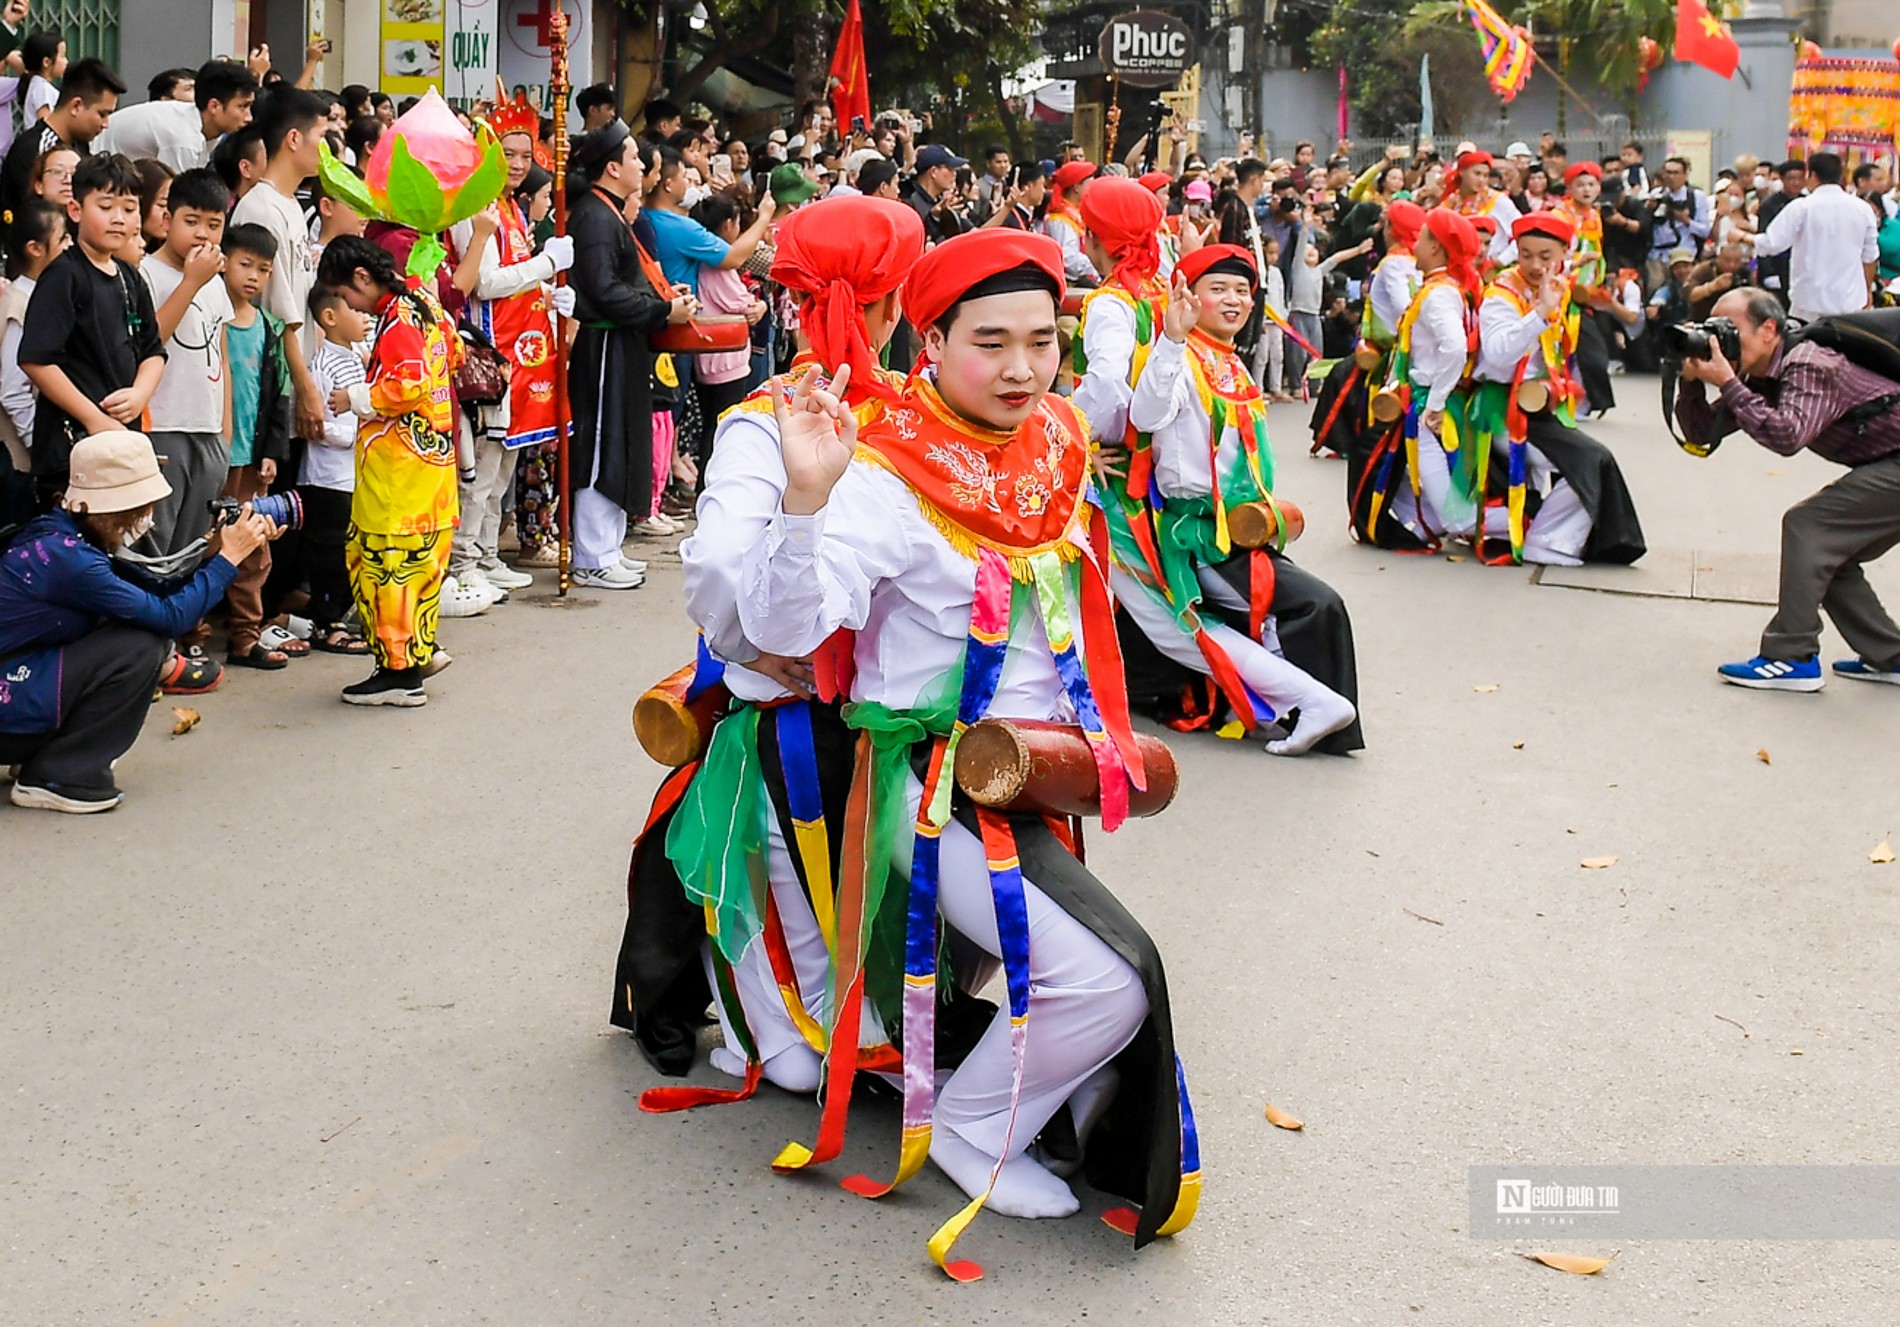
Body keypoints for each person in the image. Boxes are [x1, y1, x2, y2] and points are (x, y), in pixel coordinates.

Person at [737, 227, 1199, 1261]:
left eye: (1041, 339)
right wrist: (805, 501)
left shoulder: (1057, 441)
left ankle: (997, 1096)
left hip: (1039, 774)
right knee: (1106, 980)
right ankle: (969, 1122)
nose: (1023, 367)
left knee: (1057, 968)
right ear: (931, 338)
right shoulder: (883, 471)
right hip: (934, 785)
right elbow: (783, 626)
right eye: (990, 341)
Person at [619, 196, 930, 1093]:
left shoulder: (778, 415)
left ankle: (819, 1020)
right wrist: (752, 649)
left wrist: (744, 644)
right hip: (823, 739)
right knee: (811, 1042)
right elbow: (720, 567)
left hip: (836, 726)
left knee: (826, 1012)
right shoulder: (874, 421)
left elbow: (715, 567)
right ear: (900, 305)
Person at [1109, 242, 1361, 753]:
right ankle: (1302, 703)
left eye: (1242, 291)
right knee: (1193, 625)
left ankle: (1293, 706)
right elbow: (1147, 416)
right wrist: (1173, 341)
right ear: (1188, 297)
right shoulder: (1180, 360)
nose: (1233, 300)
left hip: (1239, 531)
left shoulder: (1232, 363)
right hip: (1189, 537)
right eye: (1217, 289)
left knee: (1292, 608)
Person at [0, 430, 273, 812]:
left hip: (14, 690)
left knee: (137, 631)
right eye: (143, 505)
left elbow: (161, 591)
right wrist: (229, 559)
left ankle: (46, 756)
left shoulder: (62, 534)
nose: (148, 516)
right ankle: (59, 775)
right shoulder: (69, 560)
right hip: (8, 707)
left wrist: (230, 550)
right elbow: (171, 616)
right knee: (142, 645)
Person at [1667, 289, 1899, 689]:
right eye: (1712, 329)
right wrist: (1690, 383)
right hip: (1886, 463)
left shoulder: (1809, 363)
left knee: (1807, 526)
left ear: (1769, 329)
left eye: (1729, 329)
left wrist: (1727, 381)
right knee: (1828, 555)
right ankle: (1891, 657)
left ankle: (1790, 656)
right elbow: (1703, 433)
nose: (1719, 340)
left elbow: (1787, 436)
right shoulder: (1760, 373)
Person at [440, 96, 578, 613]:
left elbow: (517, 282)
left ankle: (485, 551)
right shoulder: (474, 206)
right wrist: (545, 265)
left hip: (522, 353)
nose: (518, 164)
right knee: (483, 463)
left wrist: (549, 295)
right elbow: (485, 283)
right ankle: (463, 563)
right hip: (487, 355)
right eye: (508, 153)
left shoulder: (513, 208)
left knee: (506, 464)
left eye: (525, 154)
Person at [316, 235, 462, 704]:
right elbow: (453, 354)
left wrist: (357, 397)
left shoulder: (398, 320)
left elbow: (409, 386)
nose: (349, 305)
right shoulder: (425, 303)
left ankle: (399, 672)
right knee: (419, 569)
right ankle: (417, 651)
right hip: (434, 467)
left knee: (383, 567)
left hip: (399, 472)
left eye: (346, 294)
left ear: (361, 279)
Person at [1468, 212, 1645, 566]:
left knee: (1592, 461)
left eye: (1545, 257)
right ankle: (1543, 539)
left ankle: (1551, 535)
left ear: (1564, 253)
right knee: (1593, 460)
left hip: (1537, 406)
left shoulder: (1556, 288)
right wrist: (1538, 314)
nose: (1535, 265)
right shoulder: (1501, 293)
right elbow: (1500, 353)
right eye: (1527, 254)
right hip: (1501, 409)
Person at [566, 120, 694, 590]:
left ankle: (608, 548)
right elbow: (601, 291)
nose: (643, 165)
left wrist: (665, 298)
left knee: (623, 441)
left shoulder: (611, 213)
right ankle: (590, 555)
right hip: (602, 346)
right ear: (613, 167)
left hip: (623, 344)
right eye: (634, 157)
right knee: (602, 446)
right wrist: (663, 310)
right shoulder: (596, 218)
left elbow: (625, 284)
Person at [133, 167, 235, 693]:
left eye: (213, 224)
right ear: (166, 219)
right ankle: (142, 660)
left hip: (205, 433)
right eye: (191, 221)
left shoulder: (216, 285)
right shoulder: (147, 274)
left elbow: (221, 356)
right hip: (162, 426)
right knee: (155, 546)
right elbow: (148, 340)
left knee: (191, 548)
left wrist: (225, 432)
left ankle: (169, 652)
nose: (202, 234)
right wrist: (192, 280)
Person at [19, 152, 164, 503]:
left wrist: (139, 394)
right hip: (72, 450)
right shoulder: (64, 275)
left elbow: (154, 351)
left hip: (121, 443)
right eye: (105, 206)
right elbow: (36, 359)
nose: (119, 219)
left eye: (129, 209)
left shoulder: (131, 277)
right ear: (75, 210)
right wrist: (94, 418)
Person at [1355, 208, 1482, 550]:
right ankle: (1421, 524)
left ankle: (1532, 529)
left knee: (1457, 518)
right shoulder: (1443, 287)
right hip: (1427, 399)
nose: (1415, 242)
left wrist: (1436, 404)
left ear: (1437, 248)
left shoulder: (1439, 294)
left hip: (1430, 407)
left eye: (1423, 236)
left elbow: (1455, 348)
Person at [217, 221, 295, 670]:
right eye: (245, 264)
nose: (253, 276)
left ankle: (246, 635)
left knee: (255, 546)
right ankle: (193, 632)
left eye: (263, 269)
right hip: (216, 456)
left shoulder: (267, 326)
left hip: (251, 457)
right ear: (224, 260)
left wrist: (271, 451)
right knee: (208, 544)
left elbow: (279, 393)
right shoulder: (210, 317)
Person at [231, 89, 325, 448]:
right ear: (294, 139)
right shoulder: (262, 210)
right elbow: (278, 314)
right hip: (274, 385)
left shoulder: (287, 205)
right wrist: (304, 388)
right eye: (321, 136)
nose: (326, 147)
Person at [292, 285, 369, 656]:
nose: (365, 316)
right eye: (356, 310)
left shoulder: (356, 358)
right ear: (329, 318)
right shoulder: (322, 363)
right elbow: (320, 426)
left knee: (348, 548)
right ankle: (327, 622)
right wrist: (363, 431)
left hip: (351, 475)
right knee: (328, 552)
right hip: (326, 478)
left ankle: (340, 612)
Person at [1072, 175, 1170, 455]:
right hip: (1154, 448)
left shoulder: (1109, 302)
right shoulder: (1158, 289)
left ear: (1092, 237)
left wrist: (1082, 435)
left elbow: (1108, 380)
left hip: (1118, 457)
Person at [1751, 151, 1877, 324]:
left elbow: (1772, 244)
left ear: (1812, 175)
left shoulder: (1802, 207)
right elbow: (1870, 257)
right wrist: (1867, 289)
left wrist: (1742, 236)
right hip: (1850, 300)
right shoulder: (1863, 209)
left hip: (1808, 303)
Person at [0, 200, 66, 528]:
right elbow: (13, 389)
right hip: (20, 462)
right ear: (35, 248)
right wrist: (37, 446)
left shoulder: (43, 296)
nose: (70, 245)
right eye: (63, 238)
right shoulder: (19, 303)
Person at [0, 56, 122, 226]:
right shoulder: (37, 150)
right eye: (102, 114)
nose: (105, 124)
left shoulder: (79, 144)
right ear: (76, 106)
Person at [93, 58, 257, 173]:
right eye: (243, 106)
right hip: (94, 163)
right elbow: (174, 198)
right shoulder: (183, 138)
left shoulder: (203, 128)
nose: (249, 117)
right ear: (214, 106)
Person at [1441, 149, 1521, 265]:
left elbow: (1521, 232)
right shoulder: (1450, 202)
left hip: (1490, 267)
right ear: (1462, 172)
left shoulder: (1497, 200)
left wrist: (1502, 260)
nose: (1481, 180)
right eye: (1477, 174)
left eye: (1485, 175)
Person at [905, 143, 973, 247]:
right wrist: (932, 218)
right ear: (933, 171)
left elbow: (975, 234)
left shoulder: (941, 201)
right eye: (950, 168)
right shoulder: (909, 200)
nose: (954, 174)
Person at [1043, 158, 1097, 283]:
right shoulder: (1060, 218)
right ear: (1077, 187)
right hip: (1072, 282)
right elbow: (1068, 258)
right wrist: (1096, 265)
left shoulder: (1075, 211)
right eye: (1089, 185)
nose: (1092, 190)